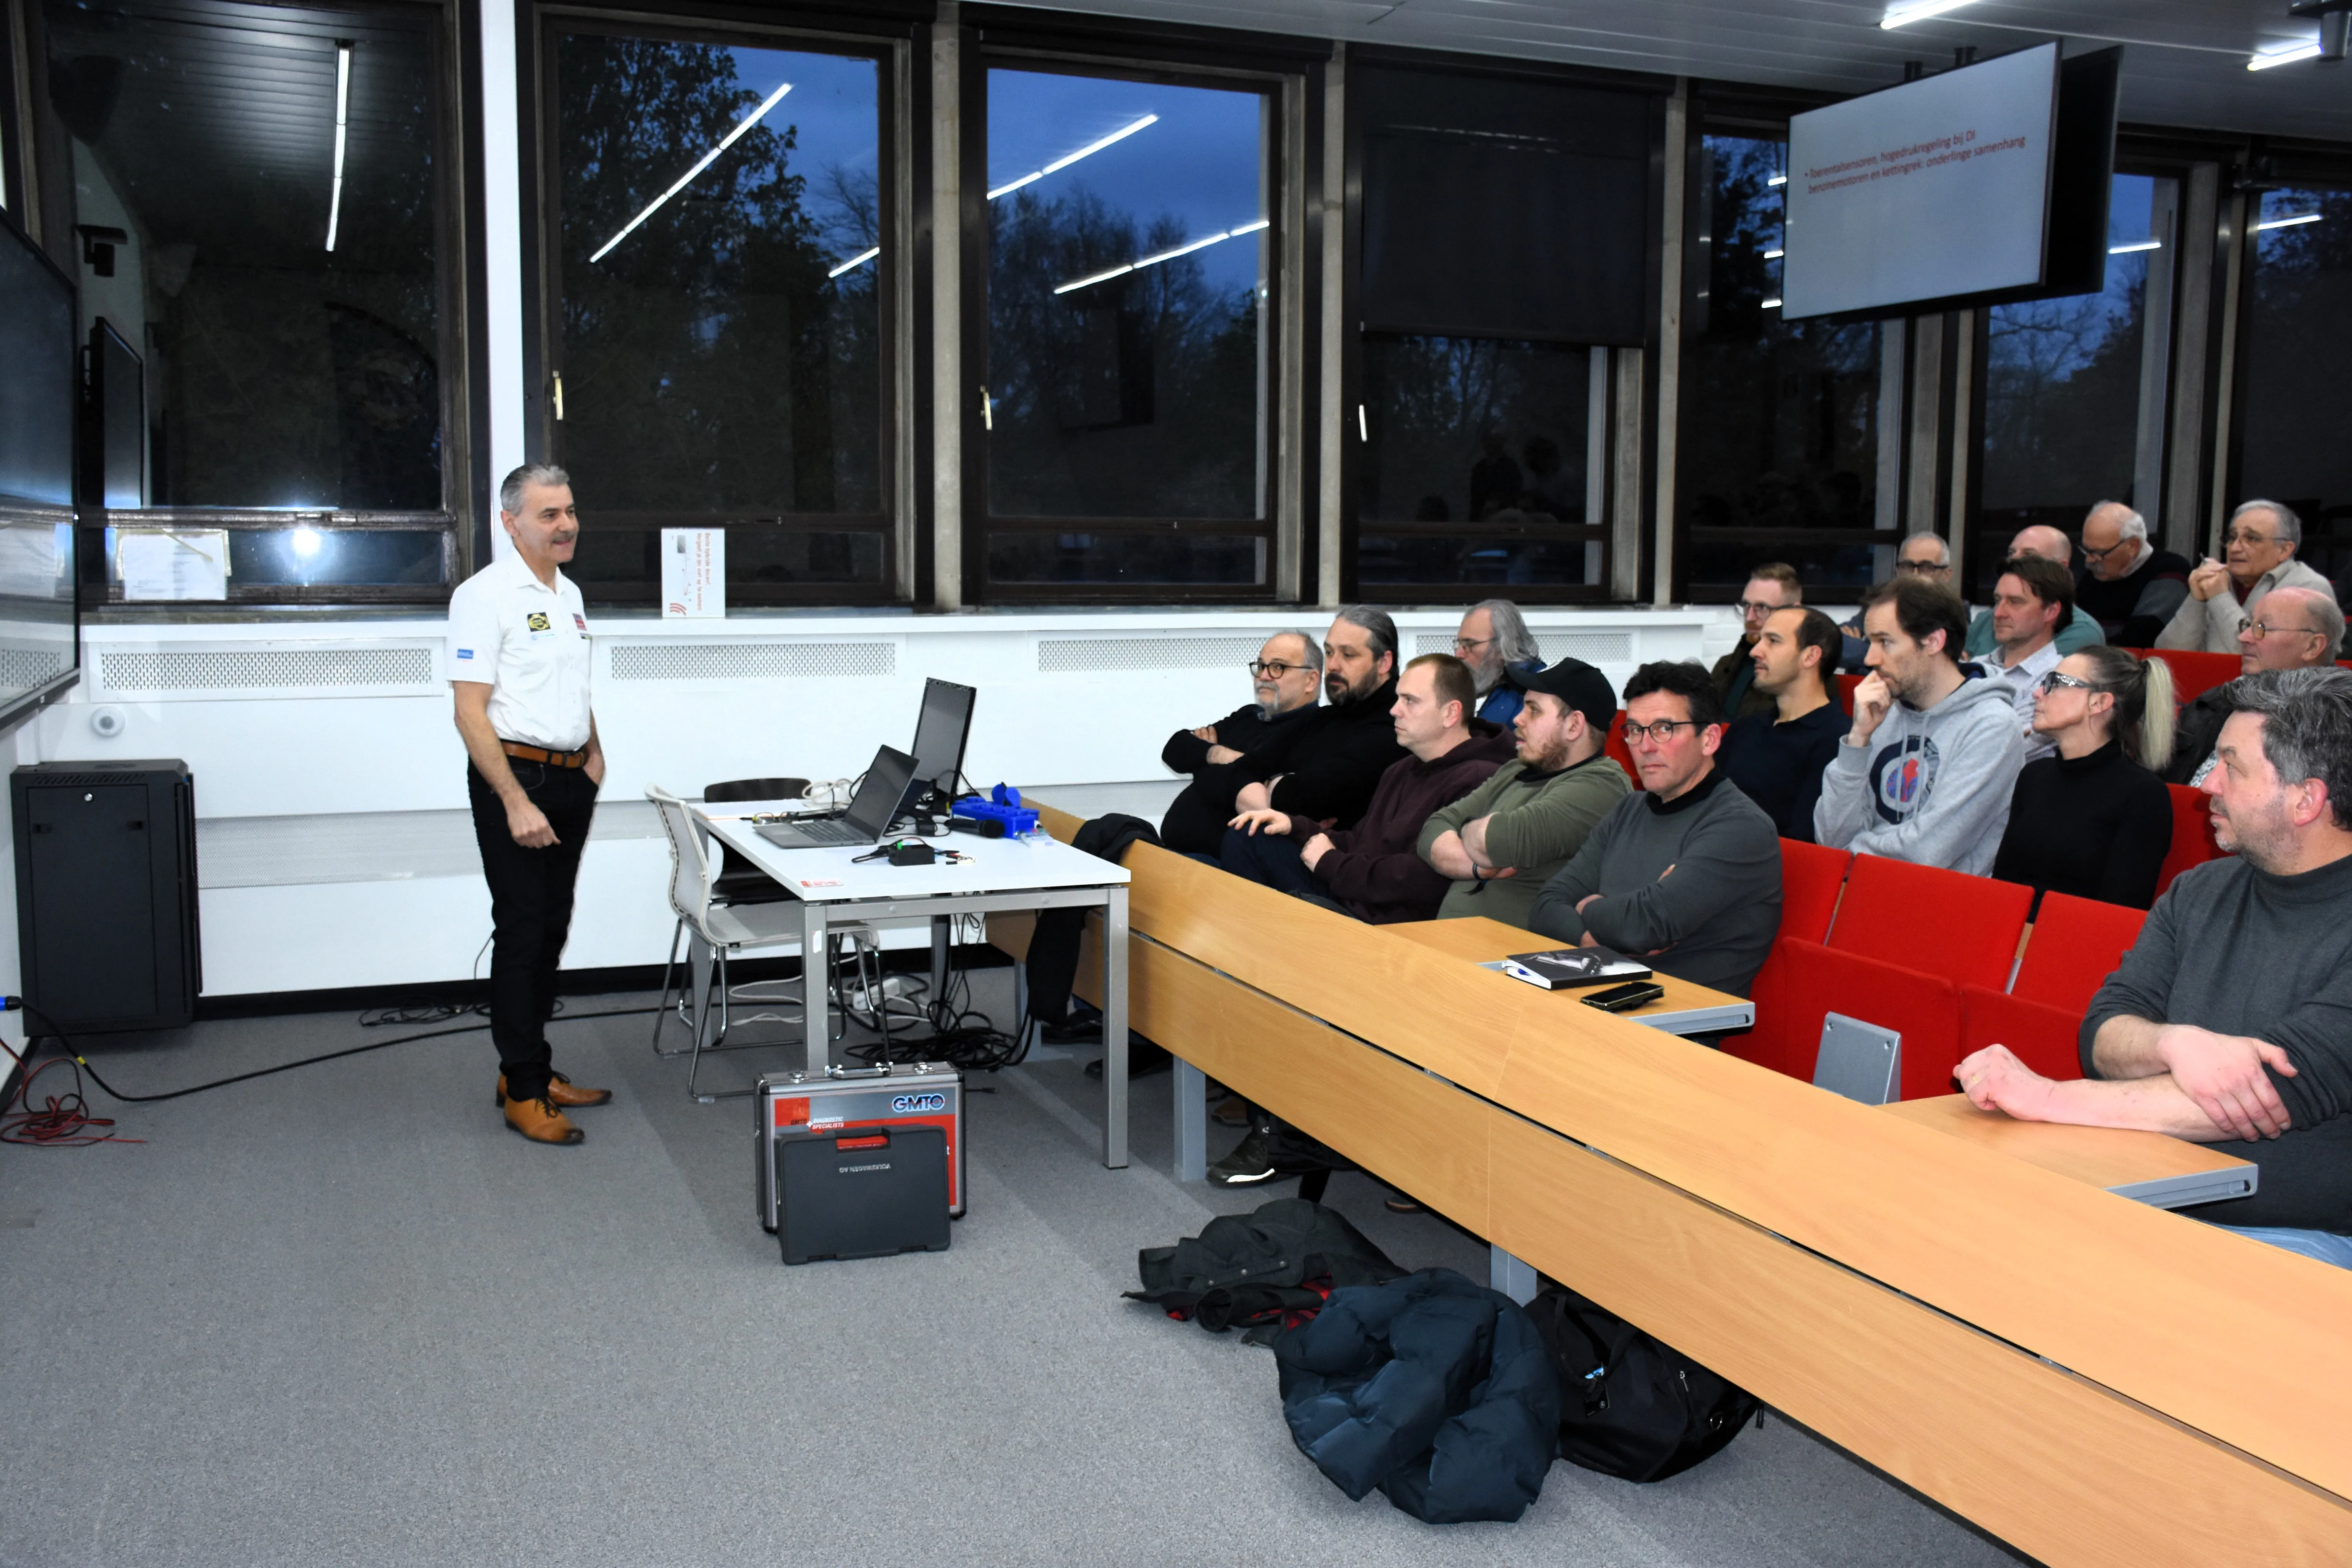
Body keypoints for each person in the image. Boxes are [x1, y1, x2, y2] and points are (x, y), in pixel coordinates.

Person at [1956, 668, 2352, 1269]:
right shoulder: (2201, 890)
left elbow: (2269, 1091)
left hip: (2295, 1238)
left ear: (2306, 800)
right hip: (2137, 1193)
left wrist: (2048, 1097)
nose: (2205, 785)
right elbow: (2105, 1032)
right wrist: (2175, 1043)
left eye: (2231, 767)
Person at [446, 465, 612, 1146]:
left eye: (570, 510)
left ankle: (531, 1067)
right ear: (509, 522)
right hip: (515, 781)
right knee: (521, 931)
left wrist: (595, 753)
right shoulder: (484, 596)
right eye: (549, 514)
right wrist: (513, 800)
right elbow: (469, 712)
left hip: (572, 779)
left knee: (551, 930)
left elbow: (572, 688)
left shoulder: (567, 592)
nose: (566, 524)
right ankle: (521, 1088)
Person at [1527, 661, 1782, 997]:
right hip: (1595, 987)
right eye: (1635, 730)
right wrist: (1597, 938)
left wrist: (1587, 907)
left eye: (1664, 729)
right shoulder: (1629, 809)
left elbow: (1644, 926)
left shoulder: (1741, 828)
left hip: (1674, 1017)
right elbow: (1546, 907)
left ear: (1710, 739)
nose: (1645, 746)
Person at [1221, 653, 1514, 924]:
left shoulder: (1479, 779)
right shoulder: (1403, 768)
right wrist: (1296, 827)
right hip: (1352, 894)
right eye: (1398, 698)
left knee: (1247, 845)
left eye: (1410, 701)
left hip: (1384, 922)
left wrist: (1330, 863)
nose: (1395, 710)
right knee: (1251, 833)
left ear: (1450, 714)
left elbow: (1423, 879)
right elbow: (1362, 842)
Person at [1814, 576, 2026, 876]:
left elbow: (1928, 852)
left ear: (1933, 641)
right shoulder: (1884, 711)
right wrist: (1858, 740)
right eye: (1869, 641)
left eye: (1885, 642)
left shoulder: (1992, 726)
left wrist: (1850, 856)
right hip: (1866, 889)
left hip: (1943, 905)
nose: (1870, 658)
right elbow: (1830, 839)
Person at [1420, 658, 1635, 929]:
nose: (1517, 719)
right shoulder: (1516, 770)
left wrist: (1465, 830)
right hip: (1450, 948)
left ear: (1574, 726)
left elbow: (1498, 840)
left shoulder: (1602, 786)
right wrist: (1478, 867)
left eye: (1533, 710)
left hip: (1513, 964)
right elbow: (1433, 829)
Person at [1989, 646, 2176, 911]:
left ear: (2099, 703)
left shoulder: (2142, 795)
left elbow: (2117, 913)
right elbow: (2003, 887)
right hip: (2012, 938)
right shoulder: (2034, 776)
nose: (2037, 693)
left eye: (2055, 684)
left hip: (2076, 944)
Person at [1229, 608, 1410, 831]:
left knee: (1244, 840)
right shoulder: (1322, 718)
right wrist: (1275, 805)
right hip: (1297, 847)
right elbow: (1240, 771)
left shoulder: (1398, 727)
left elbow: (1307, 798)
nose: (1333, 666)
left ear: (1384, 663)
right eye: (1329, 652)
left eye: (1348, 655)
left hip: (1342, 860)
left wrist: (1269, 785)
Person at [1158, 632, 1322, 855]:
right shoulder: (1249, 716)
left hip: (1224, 867)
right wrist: (1221, 756)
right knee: (1111, 831)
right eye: (1261, 666)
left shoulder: (1313, 731)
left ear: (1311, 681)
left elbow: (1261, 796)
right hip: (1175, 851)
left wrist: (1205, 763)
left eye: (1278, 667)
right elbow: (1175, 749)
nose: (1264, 676)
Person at [2163, 584, 2343, 786]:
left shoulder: (2337, 722)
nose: (2244, 638)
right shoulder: (2217, 701)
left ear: (2312, 647)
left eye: (2261, 629)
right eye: (2248, 625)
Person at [1719, 606, 1846, 841]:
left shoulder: (1838, 740)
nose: (1756, 651)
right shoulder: (1746, 728)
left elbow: (1803, 839)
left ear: (1810, 656)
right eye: (1760, 640)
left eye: (1774, 641)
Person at [2157, 499, 2337, 655]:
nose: (2235, 548)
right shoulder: (2217, 580)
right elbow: (2167, 655)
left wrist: (2220, 598)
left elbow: (2257, 657)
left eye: (2252, 539)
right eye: (2232, 538)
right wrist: (2196, 599)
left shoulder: (2308, 588)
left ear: (2284, 550)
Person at [1973, 555, 2076, 759]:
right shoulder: (1974, 666)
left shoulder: (2059, 682)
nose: (1998, 613)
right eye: (1997, 601)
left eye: (2015, 602)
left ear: (2051, 611)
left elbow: (2000, 752)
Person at [1961, 526, 2102, 659]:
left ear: (2061, 567)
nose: (2015, 559)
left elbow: (2034, 678)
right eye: (2012, 553)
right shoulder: (1986, 619)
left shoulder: (2081, 631)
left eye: (2029, 555)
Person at [2074, 501, 2190, 647]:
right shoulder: (2090, 579)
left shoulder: (2170, 572)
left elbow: (2140, 640)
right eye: (2086, 550)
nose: (2089, 560)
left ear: (2133, 546)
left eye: (2098, 553)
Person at [1839, 531, 1953, 670]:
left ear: (1947, 575)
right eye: (1908, 566)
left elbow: (1931, 664)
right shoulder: (1880, 603)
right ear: (1898, 571)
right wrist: (1885, 653)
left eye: (1927, 567)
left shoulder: (1954, 611)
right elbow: (1835, 642)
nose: (1915, 575)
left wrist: (1864, 649)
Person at [1709, 564, 1800, 724]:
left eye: (1762, 608)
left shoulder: (1804, 674)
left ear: (1793, 612)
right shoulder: (1726, 665)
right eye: (1746, 605)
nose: (1750, 617)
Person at [1455, 599, 1545, 725]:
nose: (1459, 654)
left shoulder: (1535, 691)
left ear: (1504, 646)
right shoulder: (1486, 683)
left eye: (1470, 644)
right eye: (1459, 644)